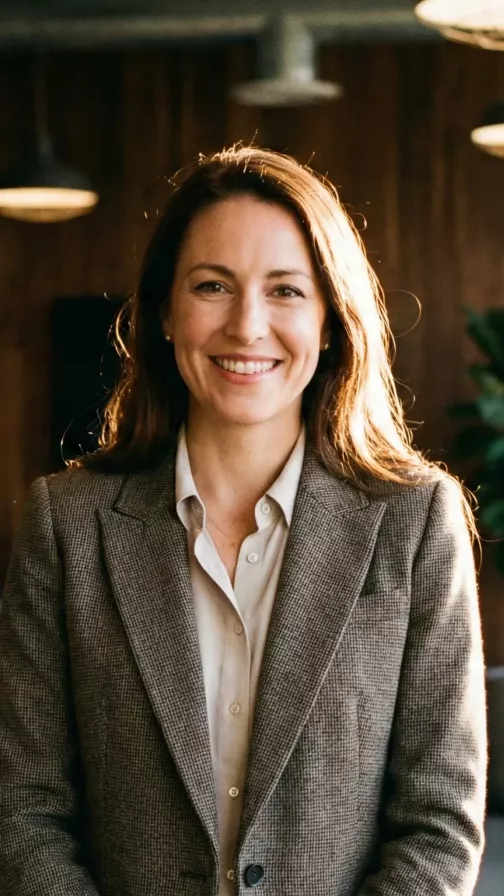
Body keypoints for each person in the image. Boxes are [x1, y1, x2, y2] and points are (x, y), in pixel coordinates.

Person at [0, 146, 487, 896]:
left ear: (330, 320)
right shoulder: (67, 525)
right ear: (165, 311)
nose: (247, 324)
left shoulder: (414, 523)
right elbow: (24, 807)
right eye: (212, 285)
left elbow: (438, 824)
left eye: (286, 290)